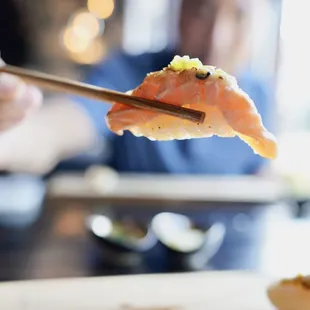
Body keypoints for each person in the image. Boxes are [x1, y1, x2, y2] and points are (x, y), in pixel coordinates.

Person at [0, 0, 274, 175]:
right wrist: (8, 140)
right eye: (203, 10)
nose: (217, 38)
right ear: (179, 12)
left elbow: (263, 176)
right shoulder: (130, 75)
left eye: (239, 15)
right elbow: (60, 127)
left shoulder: (259, 95)